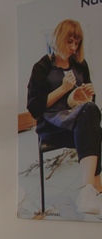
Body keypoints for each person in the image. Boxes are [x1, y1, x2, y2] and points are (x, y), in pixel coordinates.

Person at [27, 18, 102, 214]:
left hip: (77, 123)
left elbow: (88, 104)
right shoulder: (42, 67)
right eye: (70, 42)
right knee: (95, 131)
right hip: (53, 127)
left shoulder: (80, 65)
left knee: (92, 116)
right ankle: (94, 187)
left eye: (77, 43)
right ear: (59, 39)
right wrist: (62, 89)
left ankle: (89, 189)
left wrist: (89, 93)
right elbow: (34, 108)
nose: (73, 47)